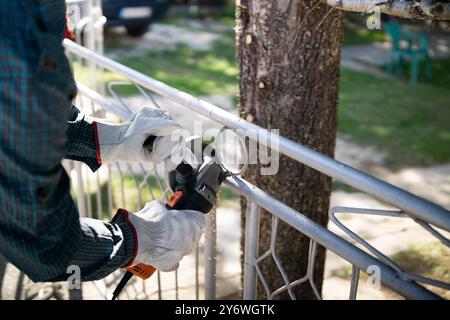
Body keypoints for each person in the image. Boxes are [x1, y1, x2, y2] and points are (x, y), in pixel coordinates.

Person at [0, 1, 204, 283]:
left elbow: (17, 125)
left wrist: (112, 140)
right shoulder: (20, 41)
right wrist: (147, 240)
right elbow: (44, 245)